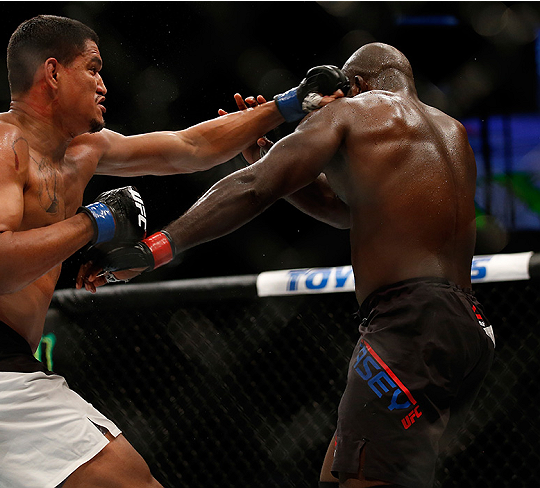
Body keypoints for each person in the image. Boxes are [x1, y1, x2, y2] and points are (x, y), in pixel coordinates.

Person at [0, 14, 335, 488]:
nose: (105, 83)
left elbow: (188, 146)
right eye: (93, 67)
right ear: (54, 73)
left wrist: (288, 105)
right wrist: (92, 223)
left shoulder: (85, 150)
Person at [87, 43, 496, 488]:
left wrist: (154, 249)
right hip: (468, 330)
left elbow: (254, 188)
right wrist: (271, 157)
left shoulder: (353, 111)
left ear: (353, 85)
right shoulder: (451, 132)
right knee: (341, 473)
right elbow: (346, 211)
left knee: (364, 477)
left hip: (408, 323)